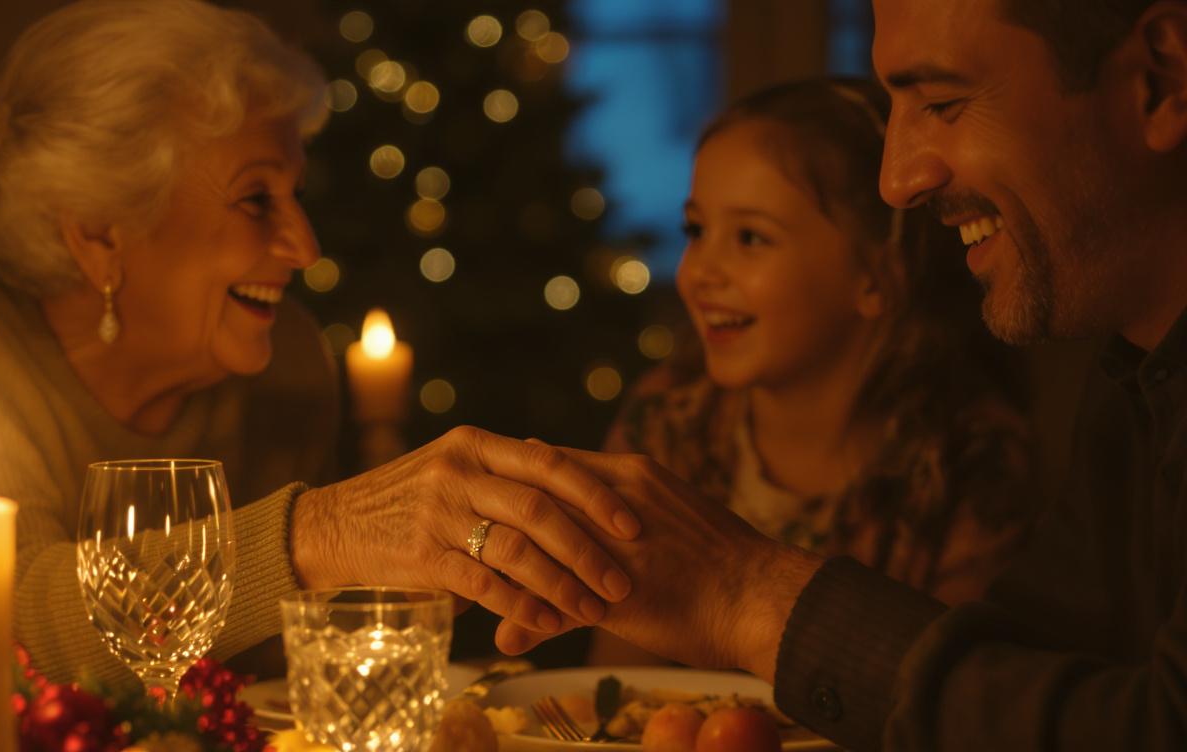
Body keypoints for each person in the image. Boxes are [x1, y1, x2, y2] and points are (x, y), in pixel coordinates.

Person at [0, 0, 641, 686]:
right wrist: (316, 534)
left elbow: (274, 669)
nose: (306, 246)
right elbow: (0, 630)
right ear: (102, 233)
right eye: (257, 200)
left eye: (296, 193)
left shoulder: (285, 360)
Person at [499, 0, 1187, 749]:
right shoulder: (1135, 383)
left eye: (944, 102)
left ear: (1161, 80)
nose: (897, 181)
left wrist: (744, 595)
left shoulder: (966, 454)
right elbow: (1020, 674)